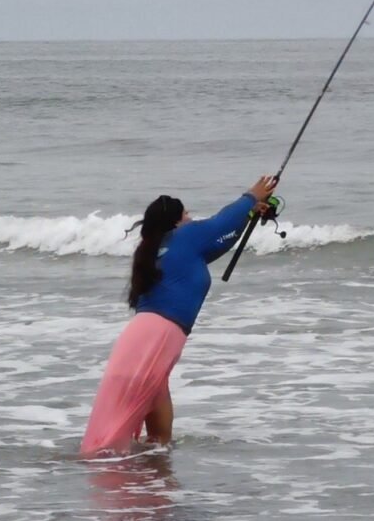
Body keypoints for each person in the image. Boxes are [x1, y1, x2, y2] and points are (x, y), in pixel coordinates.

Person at [80, 175, 278, 457]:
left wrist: (248, 216)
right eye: (186, 214)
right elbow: (219, 224)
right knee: (144, 399)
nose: (190, 218)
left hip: (144, 332)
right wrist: (250, 196)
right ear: (175, 221)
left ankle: (154, 454)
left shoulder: (159, 247)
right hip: (159, 333)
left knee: (155, 391)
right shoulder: (186, 236)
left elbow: (218, 241)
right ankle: (132, 459)